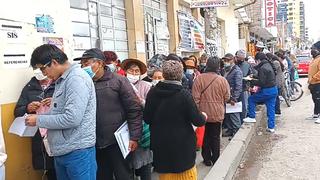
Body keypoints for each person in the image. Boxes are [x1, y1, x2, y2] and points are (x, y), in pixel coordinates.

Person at [25, 44, 97, 180]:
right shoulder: (62, 79)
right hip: (64, 149)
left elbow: (72, 118)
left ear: (54, 62)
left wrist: (38, 119)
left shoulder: (76, 79)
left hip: (77, 151)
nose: (43, 73)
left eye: (42, 68)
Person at [76, 49, 143, 180]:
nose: (83, 67)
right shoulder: (82, 83)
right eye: (82, 64)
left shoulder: (119, 81)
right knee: (101, 175)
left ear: (100, 63)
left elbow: (134, 109)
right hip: (94, 142)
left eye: (86, 63)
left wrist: (134, 136)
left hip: (118, 141)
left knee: (123, 175)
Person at [144, 60, 206, 180]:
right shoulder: (184, 95)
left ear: (164, 74)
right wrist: (203, 116)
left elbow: (147, 118)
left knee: (165, 175)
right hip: (182, 148)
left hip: (161, 145)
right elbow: (198, 120)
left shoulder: (153, 92)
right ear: (181, 74)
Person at [14, 69, 56, 180]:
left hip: (57, 134)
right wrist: (27, 107)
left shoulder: (59, 83)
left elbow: (70, 109)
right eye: (35, 68)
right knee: (48, 169)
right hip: (39, 137)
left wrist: (55, 103)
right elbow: (17, 112)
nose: (39, 71)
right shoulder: (29, 87)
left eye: (41, 67)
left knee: (61, 168)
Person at [192, 56, 230, 166]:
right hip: (217, 113)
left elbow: (195, 98)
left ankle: (207, 159)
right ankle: (216, 158)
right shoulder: (222, 80)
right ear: (218, 67)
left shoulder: (199, 79)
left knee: (205, 136)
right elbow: (227, 97)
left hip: (202, 114)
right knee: (215, 137)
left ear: (207, 65)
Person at [121, 58, 153, 180]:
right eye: (131, 70)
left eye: (136, 71)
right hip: (125, 129)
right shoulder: (121, 83)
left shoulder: (146, 86)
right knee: (127, 163)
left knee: (145, 163)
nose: (134, 73)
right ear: (125, 71)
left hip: (142, 130)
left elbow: (151, 107)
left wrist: (141, 102)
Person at [244, 53, 278, 133]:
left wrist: (251, 80)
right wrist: (254, 76)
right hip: (273, 90)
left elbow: (262, 82)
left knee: (251, 99)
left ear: (258, 60)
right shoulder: (269, 65)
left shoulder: (262, 68)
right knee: (271, 109)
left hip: (267, 91)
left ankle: (252, 117)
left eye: (256, 61)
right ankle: (271, 127)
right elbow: (265, 77)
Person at [222, 53, 243, 137]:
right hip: (226, 96)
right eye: (225, 60)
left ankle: (236, 132)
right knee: (228, 115)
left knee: (234, 115)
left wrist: (234, 98)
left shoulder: (237, 71)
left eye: (228, 60)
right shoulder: (225, 70)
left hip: (233, 96)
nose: (226, 62)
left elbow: (238, 86)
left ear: (233, 60)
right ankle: (230, 130)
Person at [235, 50, 253, 121]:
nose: (241, 60)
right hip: (234, 89)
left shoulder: (247, 65)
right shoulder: (233, 64)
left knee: (244, 107)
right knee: (233, 108)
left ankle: (242, 120)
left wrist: (249, 77)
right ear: (237, 57)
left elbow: (251, 74)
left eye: (243, 59)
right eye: (240, 58)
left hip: (244, 88)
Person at [308, 41, 320, 122]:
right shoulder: (314, 59)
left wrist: (313, 78)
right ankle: (316, 114)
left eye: (313, 49)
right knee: (315, 99)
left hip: (318, 83)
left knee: (318, 99)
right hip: (313, 83)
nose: (312, 50)